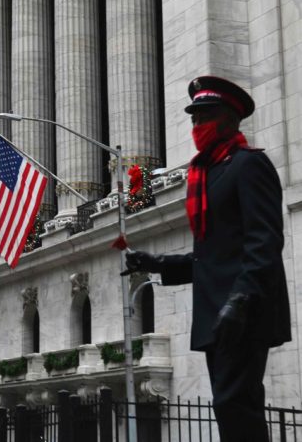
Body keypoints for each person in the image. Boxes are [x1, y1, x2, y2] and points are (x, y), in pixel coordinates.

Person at [122, 76, 291, 441]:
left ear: (230, 118)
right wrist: (156, 263)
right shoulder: (207, 173)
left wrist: (242, 298)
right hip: (218, 311)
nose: (198, 125)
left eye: (206, 117)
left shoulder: (248, 165)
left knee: (235, 403)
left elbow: (264, 241)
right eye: (194, 118)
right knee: (231, 405)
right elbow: (212, 258)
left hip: (242, 309)